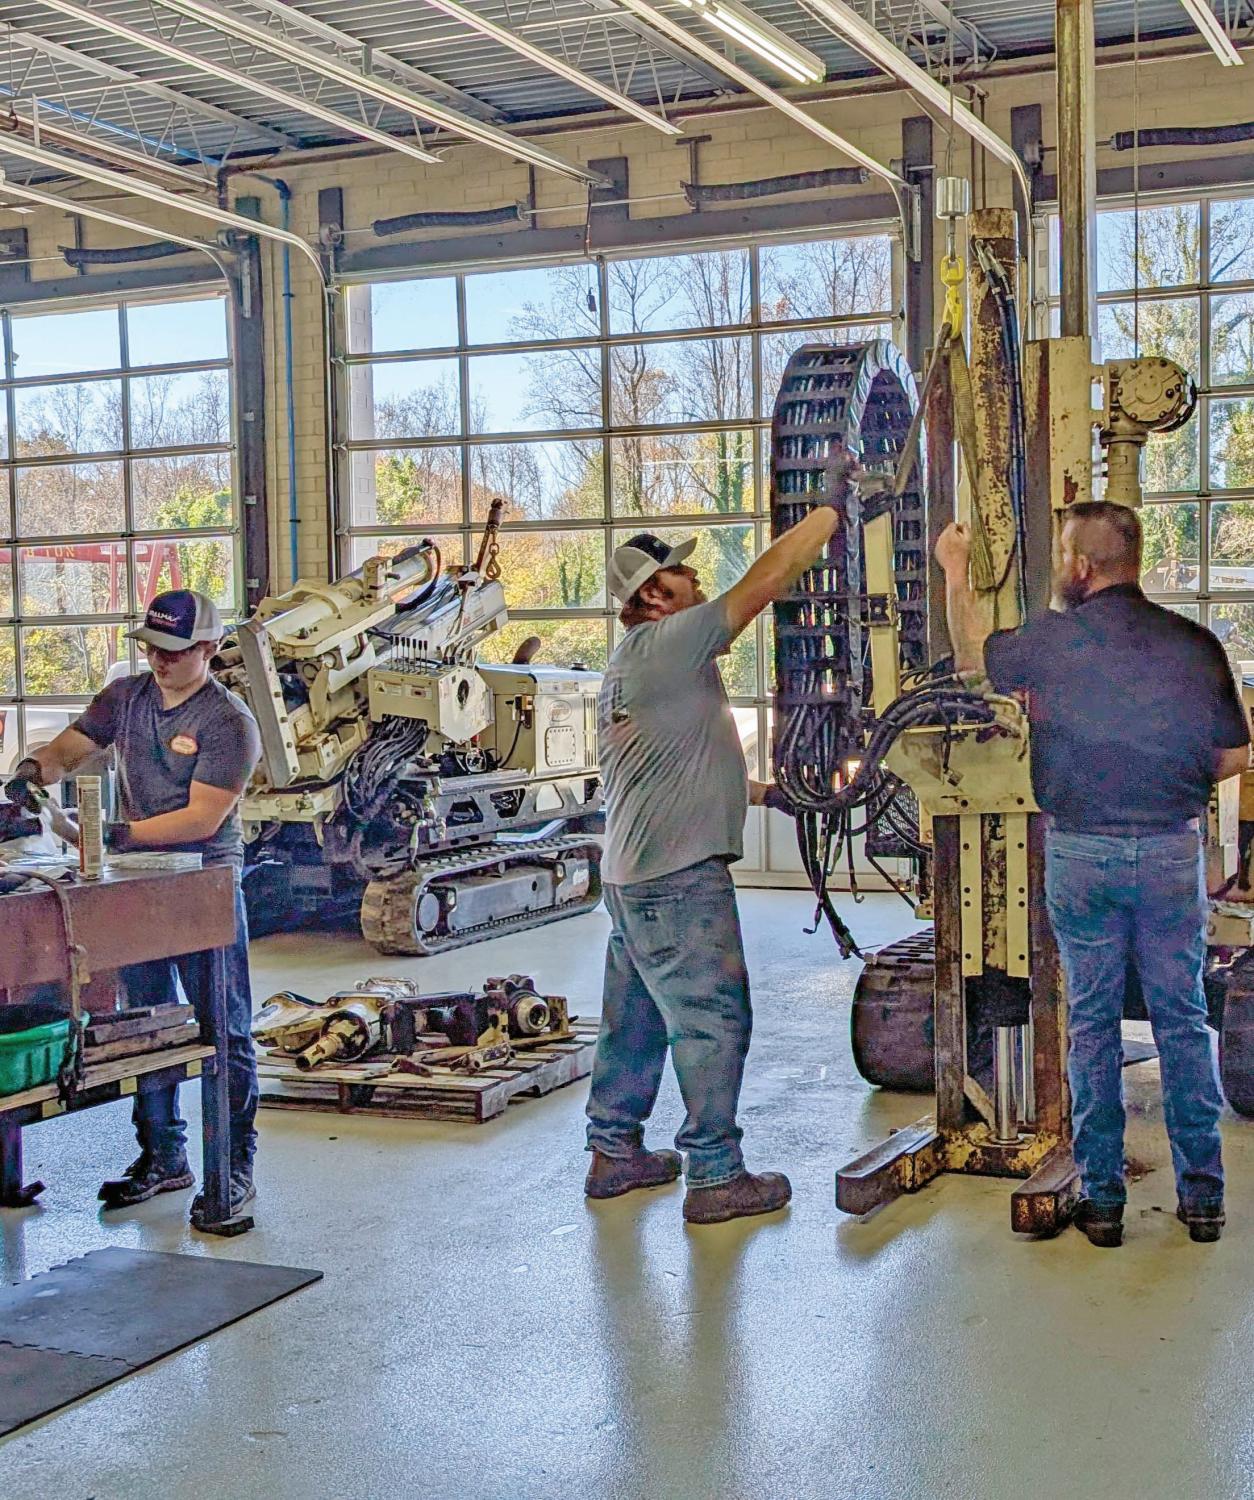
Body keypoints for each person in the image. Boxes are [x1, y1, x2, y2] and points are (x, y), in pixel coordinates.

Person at [936, 501, 1250, 1248]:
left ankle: (1104, 1203)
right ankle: (1203, 1201)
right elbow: (1236, 756)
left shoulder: (1051, 641)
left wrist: (955, 570)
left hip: (1080, 853)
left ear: (1080, 566)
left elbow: (972, 656)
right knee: (1182, 1022)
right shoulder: (1194, 643)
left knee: (1092, 1027)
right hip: (1170, 852)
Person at [584, 458, 857, 1226]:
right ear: (650, 597)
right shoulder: (666, 643)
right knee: (713, 1017)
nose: (696, 585)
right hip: (676, 880)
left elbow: (682, 763)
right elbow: (763, 585)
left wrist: (777, 795)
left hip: (635, 876)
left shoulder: (643, 665)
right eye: (679, 577)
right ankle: (714, 1174)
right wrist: (830, 514)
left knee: (635, 1020)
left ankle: (614, 1151)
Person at [4, 589, 262, 1221]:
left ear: (208, 649)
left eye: (173, 651)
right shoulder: (128, 696)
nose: (158, 660)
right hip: (138, 882)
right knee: (147, 1023)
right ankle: (165, 1157)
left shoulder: (230, 723)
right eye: (150, 648)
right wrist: (32, 772)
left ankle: (234, 1166)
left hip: (204, 884)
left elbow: (201, 820)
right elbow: (71, 747)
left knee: (220, 1026)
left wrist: (101, 835)